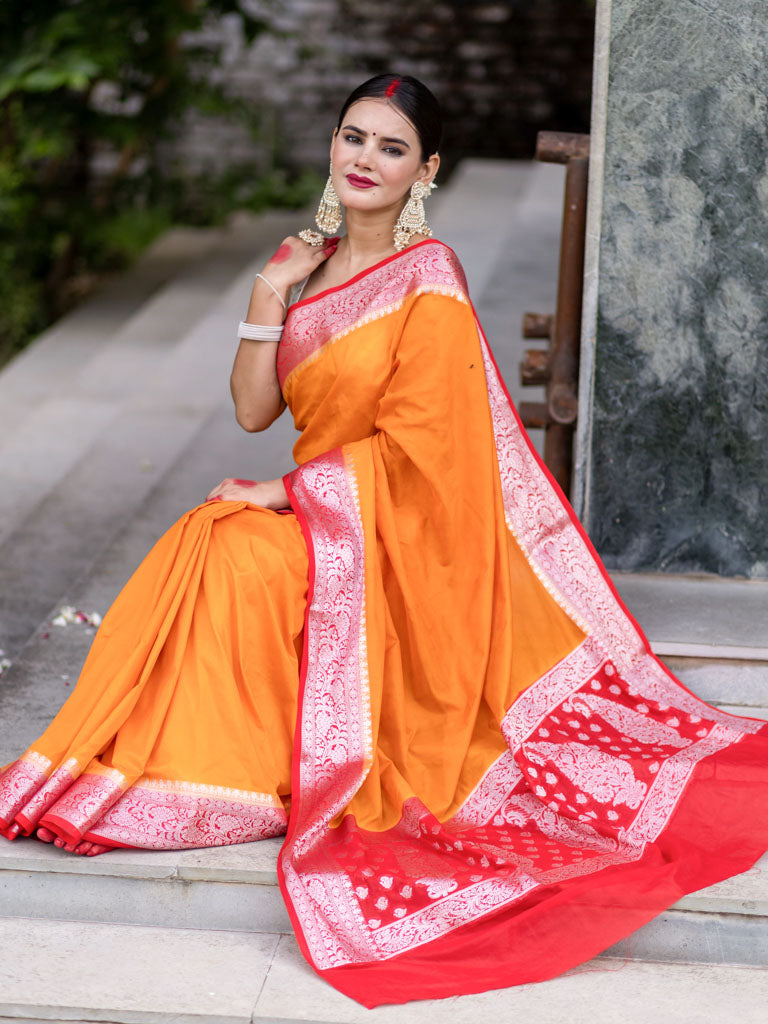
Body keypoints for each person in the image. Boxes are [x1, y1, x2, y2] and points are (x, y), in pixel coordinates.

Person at [1, 73, 767, 1008]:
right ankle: (176, 770)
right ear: (332, 145)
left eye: (392, 147)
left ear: (427, 169)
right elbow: (252, 410)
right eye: (353, 138)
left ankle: (211, 778)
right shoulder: (308, 267)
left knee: (235, 545)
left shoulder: (427, 279)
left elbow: (431, 455)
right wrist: (270, 288)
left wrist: (287, 490)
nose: (366, 159)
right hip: (333, 514)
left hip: (394, 537)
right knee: (215, 537)